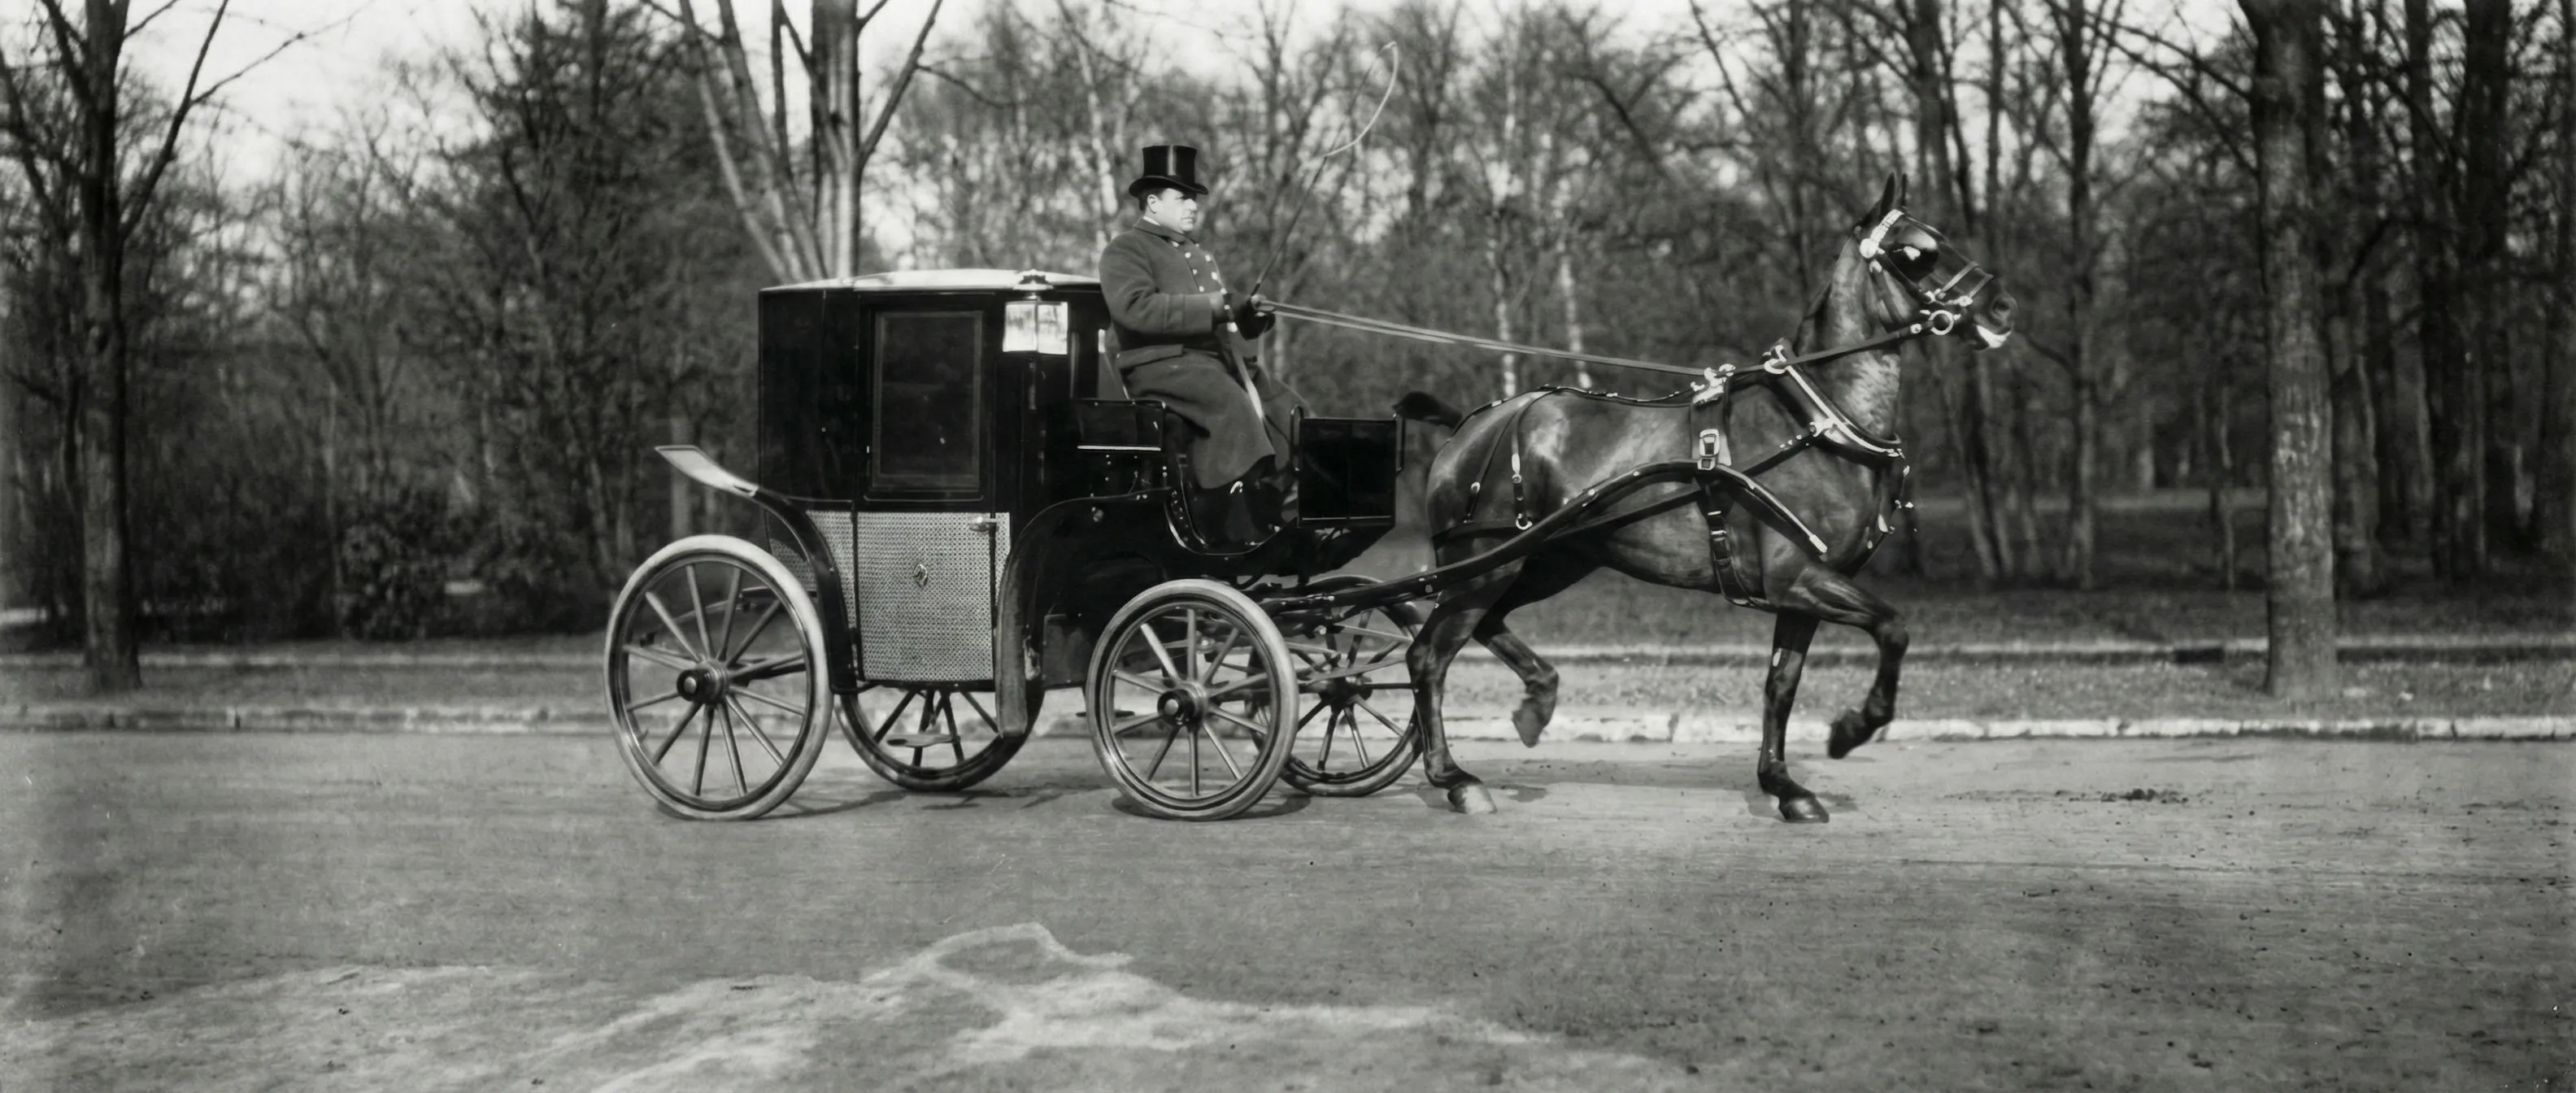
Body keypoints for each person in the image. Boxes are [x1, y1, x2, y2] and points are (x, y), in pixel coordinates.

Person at [1098, 144, 1305, 542]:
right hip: (1159, 365)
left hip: (1212, 364)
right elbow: (1135, 310)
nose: (1192, 207)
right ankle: (1232, 518)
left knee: (1291, 411)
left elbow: (1221, 317)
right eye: (1182, 198)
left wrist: (1248, 314)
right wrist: (1215, 305)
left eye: (1194, 199)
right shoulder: (1126, 249)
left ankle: (1283, 506)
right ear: (1153, 202)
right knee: (1232, 406)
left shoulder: (1197, 255)